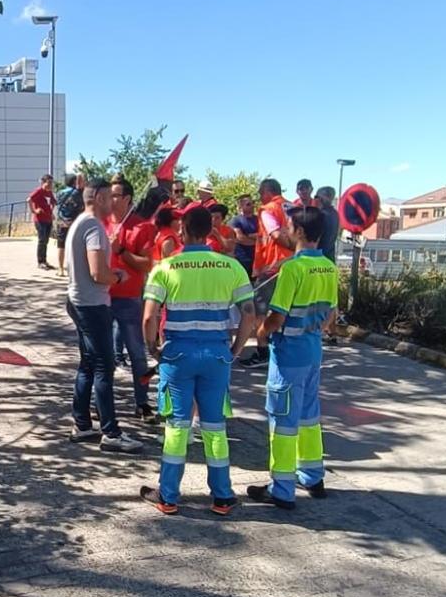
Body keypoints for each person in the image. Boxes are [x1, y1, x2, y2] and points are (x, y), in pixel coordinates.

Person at [139, 205, 257, 515]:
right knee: (215, 426)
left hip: (178, 354)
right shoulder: (231, 267)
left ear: (182, 231)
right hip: (217, 354)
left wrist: (153, 349)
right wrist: (236, 349)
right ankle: (222, 496)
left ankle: (168, 496)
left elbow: (150, 317)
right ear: (209, 232)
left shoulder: (166, 268)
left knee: (178, 426)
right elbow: (249, 314)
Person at [247, 207, 338, 510]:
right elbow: (331, 317)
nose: (285, 229)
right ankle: (313, 477)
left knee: (283, 422)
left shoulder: (293, 269)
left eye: (288, 225)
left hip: (288, 356)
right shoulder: (329, 267)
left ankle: (282, 488)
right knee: (309, 417)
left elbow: (277, 316)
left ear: (299, 231)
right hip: (313, 352)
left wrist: (259, 333)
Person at [65, 178, 143, 454]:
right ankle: (110, 432)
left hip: (77, 301)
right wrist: (118, 276)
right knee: (103, 367)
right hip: (93, 305)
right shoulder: (94, 226)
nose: (113, 202)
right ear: (98, 197)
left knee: (88, 363)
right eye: (110, 197)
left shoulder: (79, 223)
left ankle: (83, 422)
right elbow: (99, 273)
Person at [106, 176, 156, 420]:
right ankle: (102, 404)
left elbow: (147, 264)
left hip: (129, 300)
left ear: (127, 199)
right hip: (101, 299)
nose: (110, 199)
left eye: (115, 195)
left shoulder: (142, 227)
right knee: (101, 356)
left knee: (137, 354)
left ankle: (143, 402)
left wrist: (121, 251)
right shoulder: (99, 223)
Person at [240, 178, 294, 368]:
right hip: (292, 267)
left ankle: (263, 351)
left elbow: (276, 235)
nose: (260, 198)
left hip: (272, 267)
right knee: (286, 307)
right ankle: (283, 349)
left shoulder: (268, 209)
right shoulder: (292, 206)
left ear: (267, 191)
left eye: (260, 193)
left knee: (260, 310)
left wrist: (290, 246)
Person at [54, 173, 86, 277]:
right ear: (75, 182)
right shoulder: (78, 193)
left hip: (62, 222)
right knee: (76, 245)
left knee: (61, 246)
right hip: (75, 222)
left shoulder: (59, 193)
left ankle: (60, 268)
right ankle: (75, 268)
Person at [28, 174, 56, 271]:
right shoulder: (39, 191)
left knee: (46, 241)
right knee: (42, 240)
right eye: (49, 183)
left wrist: (51, 212)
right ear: (43, 183)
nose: (51, 185)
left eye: (52, 183)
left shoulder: (50, 193)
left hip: (48, 219)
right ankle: (40, 262)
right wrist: (34, 211)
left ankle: (44, 260)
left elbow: (53, 202)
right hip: (40, 220)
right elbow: (29, 200)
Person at [230, 194, 258, 278]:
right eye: (248, 204)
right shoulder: (235, 220)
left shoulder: (259, 219)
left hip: (258, 260)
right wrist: (258, 240)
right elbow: (240, 238)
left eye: (253, 202)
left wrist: (249, 236)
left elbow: (266, 236)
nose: (252, 206)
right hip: (242, 259)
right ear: (240, 206)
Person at [315, 186, 340, 262]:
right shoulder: (335, 214)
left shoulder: (320, 215)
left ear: (321, 199)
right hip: (330, 260)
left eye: (316, 197)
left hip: (318, 260)